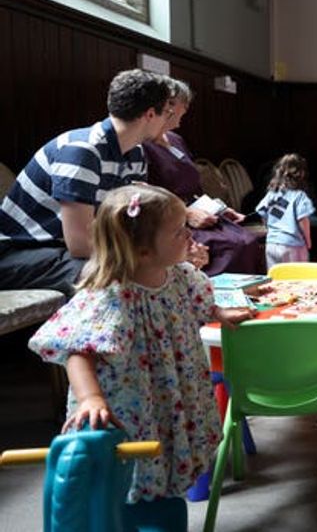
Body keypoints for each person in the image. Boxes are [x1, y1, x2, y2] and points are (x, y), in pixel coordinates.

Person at [27, 184, 253, 523]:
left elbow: (196, 302)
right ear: (144, 251)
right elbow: (79, 350)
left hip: (172, 394)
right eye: (179, 231)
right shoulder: (110, 295)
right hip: (131, 402)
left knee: (166, 460)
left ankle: (160, 502)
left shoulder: (180, 275)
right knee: (131, 472)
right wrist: (91, 398)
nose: (189, 235)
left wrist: (218, 313)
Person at [0, 69, 174, 295]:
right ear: (150, 114)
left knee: (166, 266)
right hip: (19, 252)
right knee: (114, 275)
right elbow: (80, 243)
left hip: (60, 250)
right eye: (168, 113)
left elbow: (130, 221)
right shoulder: (81, 150)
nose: (169, 121)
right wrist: (147, 254)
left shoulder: (136, 153)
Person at [142, 78, 264, 276]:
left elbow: (195, 188)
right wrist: (186, 214)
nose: (186, 109)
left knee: (247, 239)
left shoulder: (175, 140)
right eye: (184, 104)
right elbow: (148, 195)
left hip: (199, 209)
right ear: (168, 105)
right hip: (171, 217)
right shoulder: (143, 145)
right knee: (230, 246)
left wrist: (220, 209)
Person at [256, 153, 316, 268]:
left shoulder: (272, 194)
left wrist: (270, 230)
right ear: (301, 174)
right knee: (297, 280)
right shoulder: (300, 196)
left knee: (276, 280)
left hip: (271, 244)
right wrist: (308, 241)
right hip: (293, 245)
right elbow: (303, 220)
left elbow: (262, 213)